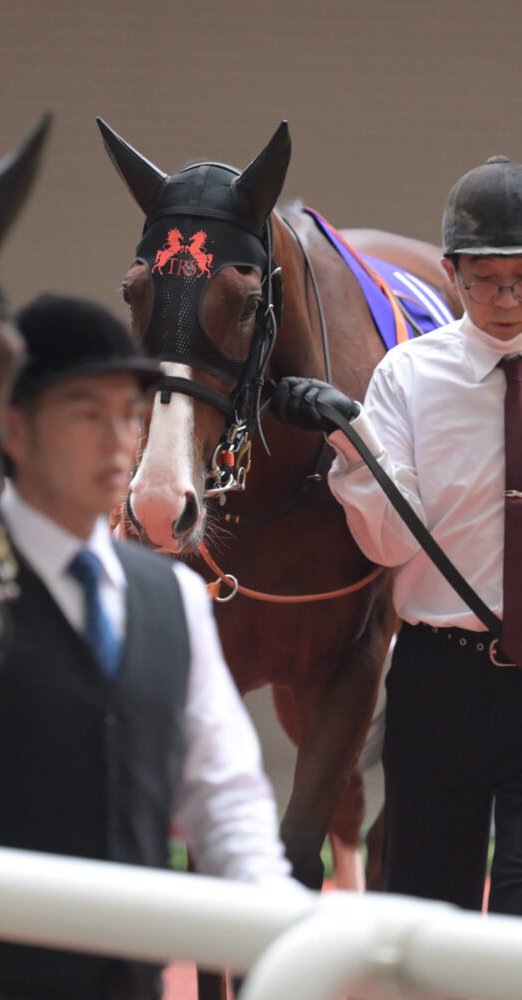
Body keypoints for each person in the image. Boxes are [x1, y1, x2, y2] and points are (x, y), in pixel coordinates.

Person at [0, 293, 305, 1000]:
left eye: (130, 414)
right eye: (86, 413)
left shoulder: (175, 599)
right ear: (13, 428)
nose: (117, 440)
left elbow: (223, 795)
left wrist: (290, 940)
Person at [271, 155, 522, 916]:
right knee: (422, 903)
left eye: (521, 277)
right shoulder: (408, 376)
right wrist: (355, 445)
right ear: (450, 274)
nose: (505, 299)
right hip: (438, 677)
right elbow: (387, 547)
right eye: (485, 279)